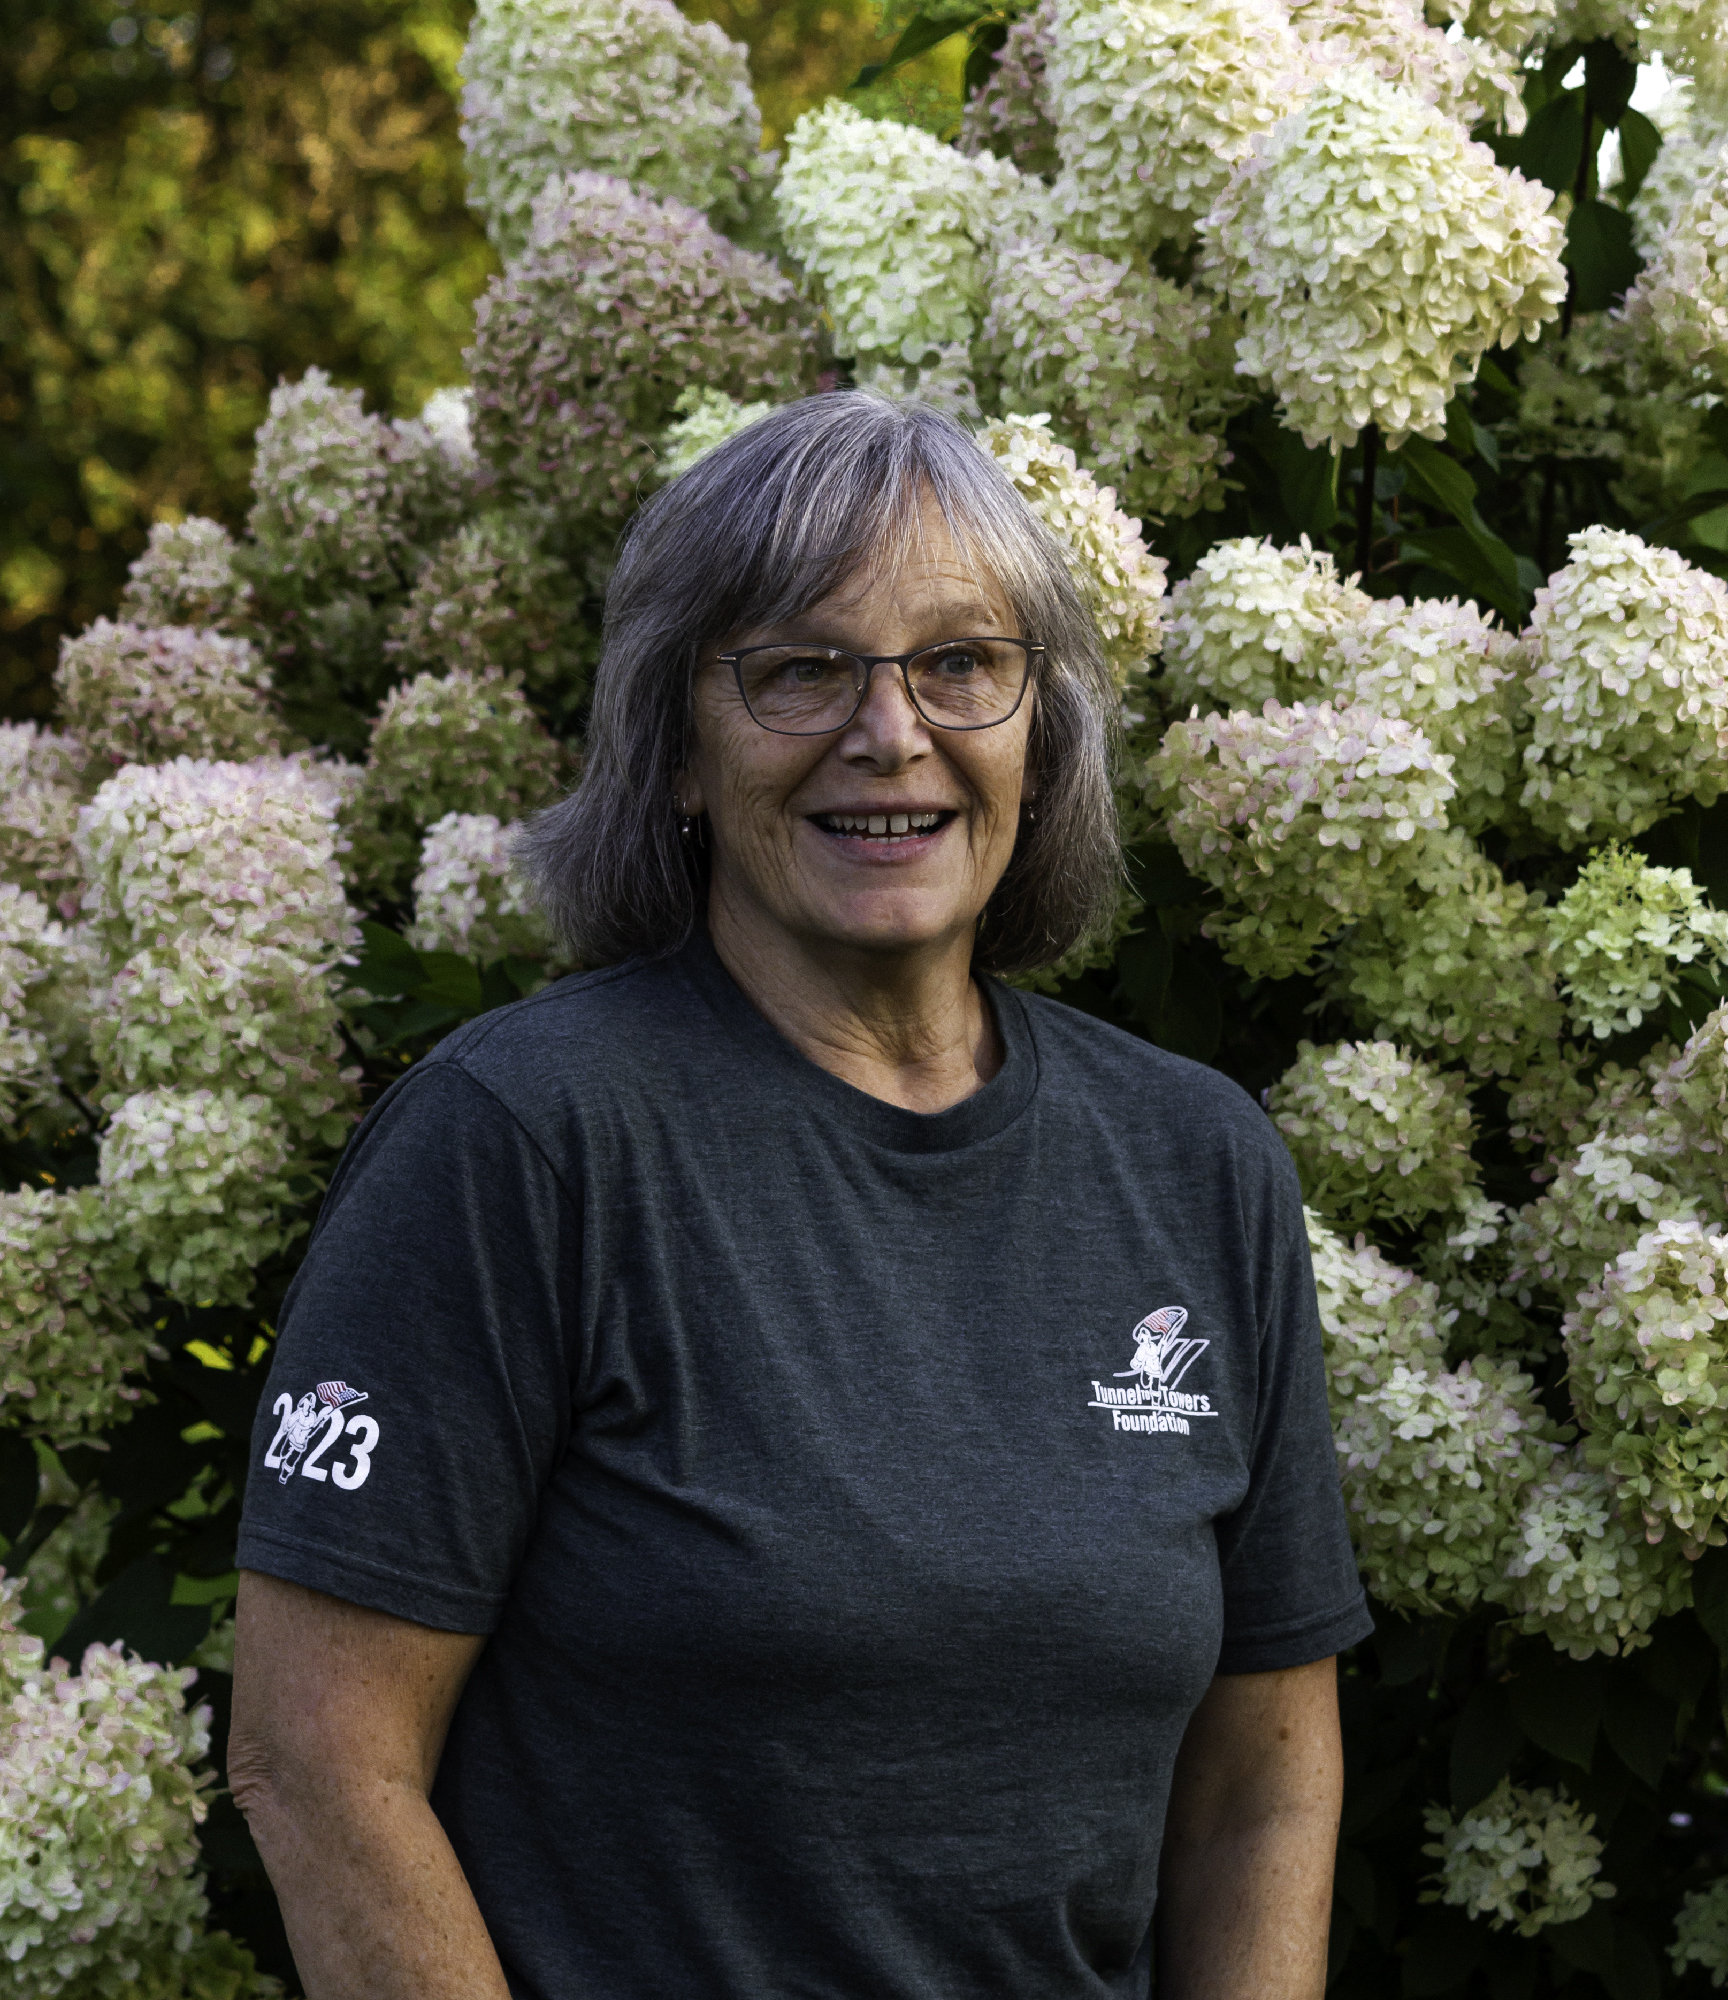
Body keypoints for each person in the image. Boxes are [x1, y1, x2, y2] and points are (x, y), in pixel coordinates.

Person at [229, 391, 1372, 2000]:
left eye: (959, 665)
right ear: (680, 751)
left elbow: (1262, 1788)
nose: (890, 734)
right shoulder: (521, 1141)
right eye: (800, 669)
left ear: (1038, 738)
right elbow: (318, 1767)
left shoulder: (1195, 1163)